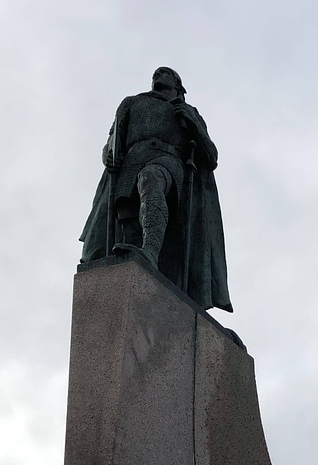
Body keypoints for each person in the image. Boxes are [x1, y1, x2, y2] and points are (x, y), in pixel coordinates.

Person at [79, 67, 232, 312]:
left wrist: (193, 124)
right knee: (128, 221)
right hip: (131, 162)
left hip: (168, 162)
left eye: (166, 73)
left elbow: (211, 156)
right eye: (156, 73)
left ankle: (150, 251)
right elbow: (113, 138)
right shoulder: (132, 103)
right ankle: (134, 264)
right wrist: (108, 153)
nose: (158, 74)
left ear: (178, 85)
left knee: (151, 180)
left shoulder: (188, 112)